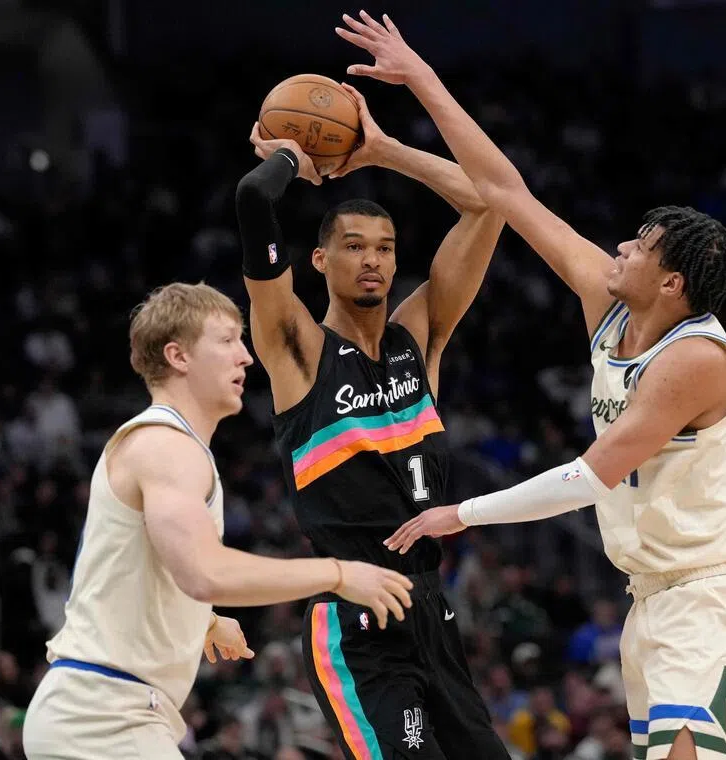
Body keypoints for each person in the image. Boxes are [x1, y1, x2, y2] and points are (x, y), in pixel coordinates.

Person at [336, 11, 726, 760]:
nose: (623, 245)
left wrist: (461, 514)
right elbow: (505, 191)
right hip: (651, 601)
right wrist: (417, 88)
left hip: (708, 597)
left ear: (671, 283)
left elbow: (591, 476)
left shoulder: (697, 359)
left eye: (642, 246)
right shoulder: (608, 303)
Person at [22, 283, 414, 760]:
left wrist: (201, 621)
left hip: (97, 712)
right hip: (103, 717)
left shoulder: (168, 446)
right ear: (178, 356)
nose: (246, 357)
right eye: (227, 340)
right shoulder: (167, 447)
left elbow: (135, 566)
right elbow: (205, 574)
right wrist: (339, 573)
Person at [238, 86, 510, 759]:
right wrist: (287, 163)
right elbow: (252, 199)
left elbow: (486, 203)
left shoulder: (417, 337)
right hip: (357, 624)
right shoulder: (297, 351)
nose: (373, 260)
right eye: (355, 246)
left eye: (385, 248)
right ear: (321, 262)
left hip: (431, 611)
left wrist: (382, 151)